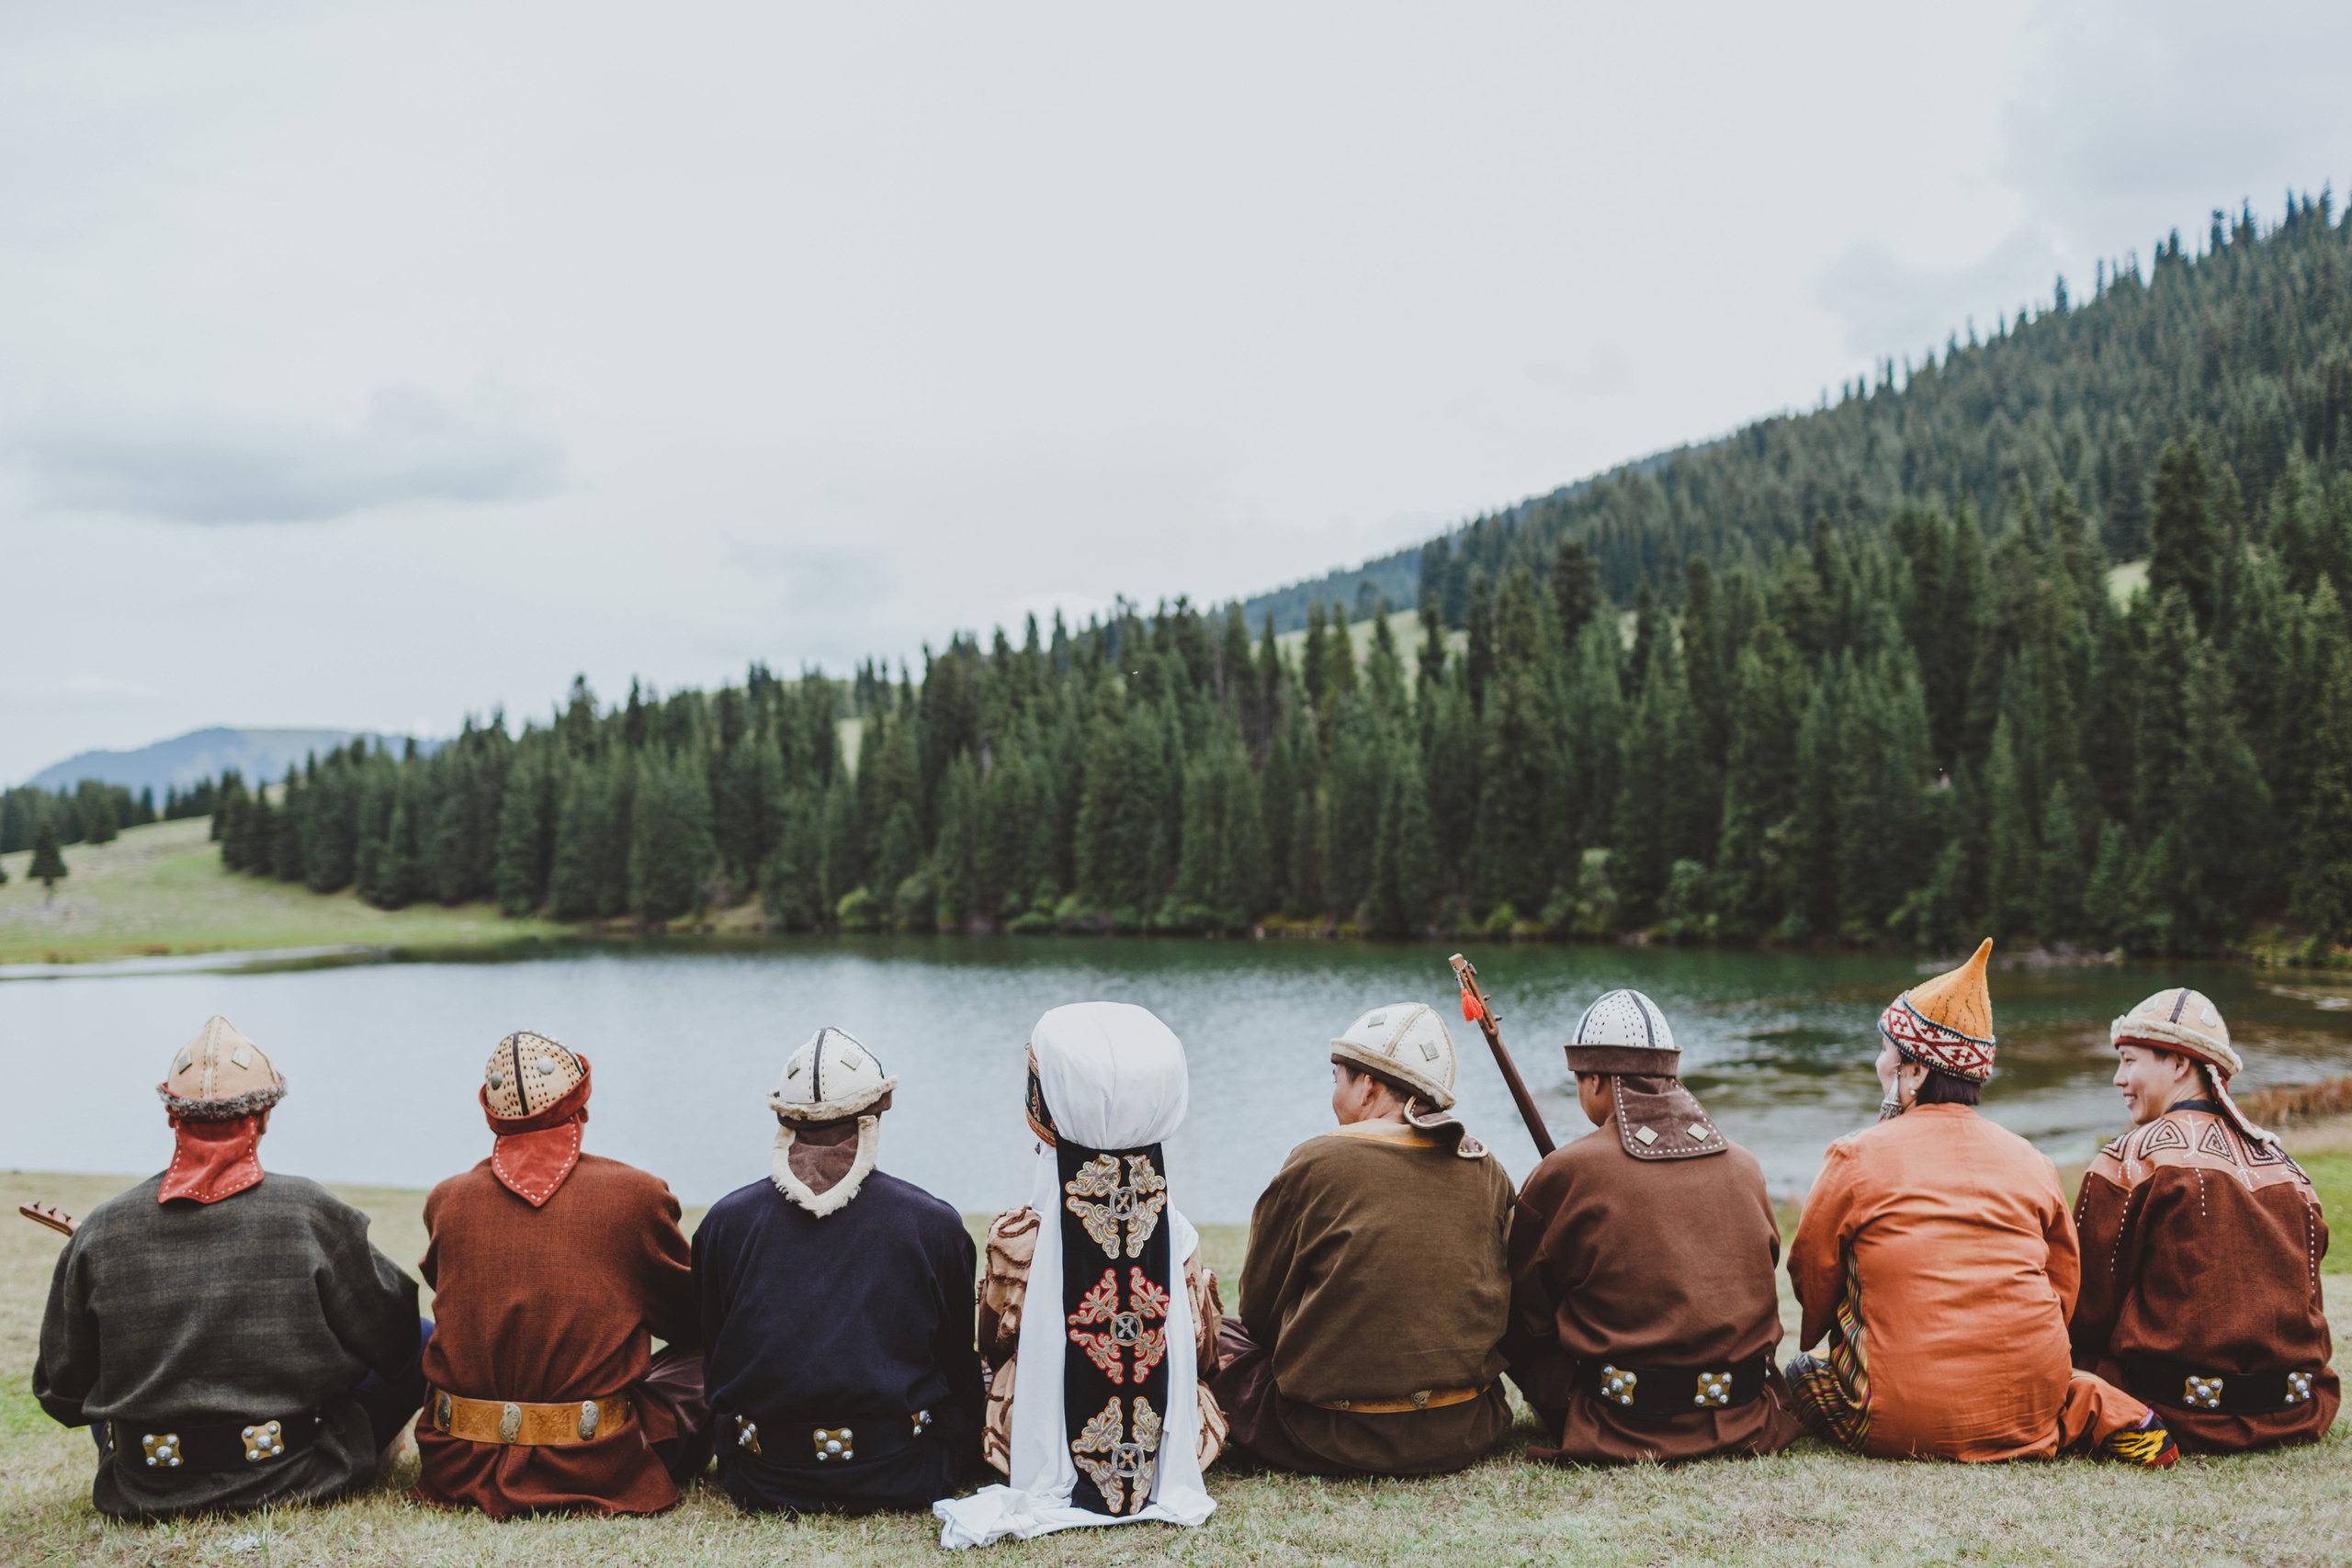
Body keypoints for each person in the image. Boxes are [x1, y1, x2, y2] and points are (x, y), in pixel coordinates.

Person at [1784, 941, 2175, 1466]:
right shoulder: (2032, 1160)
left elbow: (1812, 1272)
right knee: (2067, 1384)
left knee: (1801, 1374)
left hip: (1899, 1420)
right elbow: (2062, 1285)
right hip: (2029, 1411)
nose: (1879, 1064)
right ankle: (2086, 1410)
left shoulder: (1856, 1155)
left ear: (1916, 1072)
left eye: (1886, 1053)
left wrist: (1827, 1333)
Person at [34, 1016, 426, 1519]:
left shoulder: (102, 1228)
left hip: (146, 1481)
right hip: (295, 1471)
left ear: (173, 1117)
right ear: (261, 1117)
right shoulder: (309, 1211)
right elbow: (396, 1342)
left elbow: (61, 1393)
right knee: (426, 1338)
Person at [935, 1002, 1222, 1549]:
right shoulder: (1177, 1232)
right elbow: (1203, 1350)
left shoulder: (1020, 1237)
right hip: (1164, 1450)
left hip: (1038, 1438)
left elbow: (994, 1349)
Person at [1207, 1002, 1515, 1477]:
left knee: (1213, 1334)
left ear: (1368, 1085)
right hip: (1466, 1426)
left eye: (1337, 1078)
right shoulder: (1488, 1168)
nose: (1334, 1094)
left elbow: (1259, 1313)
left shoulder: (1317, 1161)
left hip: (1330, 1435)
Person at [411, 1032, 708, 1517]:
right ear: (581, 1108)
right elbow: (693, 1320)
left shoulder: (446, 1200)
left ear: (491, 1114)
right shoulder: (637, 1195)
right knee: (716, 1350)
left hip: (459, 1462)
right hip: (597, 1460)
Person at [695, 1028, 984, 1514]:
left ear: (785, 1119)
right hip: (905, 1469)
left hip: (762, 1476)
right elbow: (956, 1367)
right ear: (876, 1113)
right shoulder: (935, 1224)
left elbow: (715, 1353)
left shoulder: (724, 1223)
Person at [1505, 988, 1799, 1463]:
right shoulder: (1746, 1166)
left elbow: (1520, 1310)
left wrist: (1561, 1393)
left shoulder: (1568, 1170)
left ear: (1596, 1079)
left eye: (1579, 1079)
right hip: (1746, 1415)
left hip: (1619, 1424)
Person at [2068, 987, 2337, 1451]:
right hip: (2294, 1410)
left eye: (2130, 1061)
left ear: (2178, 1063)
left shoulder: (2130, 1158)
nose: (2118, 1078)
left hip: (2172, 1411)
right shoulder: (2289, 1168)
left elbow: (2087, 1307)